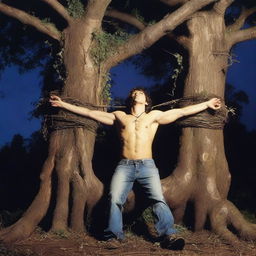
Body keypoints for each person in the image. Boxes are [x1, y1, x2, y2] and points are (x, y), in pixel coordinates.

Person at [50, 88, 221, 250]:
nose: (136, 93)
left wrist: (206, 104)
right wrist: (63, 104)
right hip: (125, 166)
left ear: (146, 101)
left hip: (147, 165)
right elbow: (90, 113)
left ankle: (169, 235)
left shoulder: (153, 116)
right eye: (134, 92)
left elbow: (181, 112)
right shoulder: (120, 116)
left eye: (140, 92)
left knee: (157, 198)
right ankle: (113, 237)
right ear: (131, 99)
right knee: (115, 198)